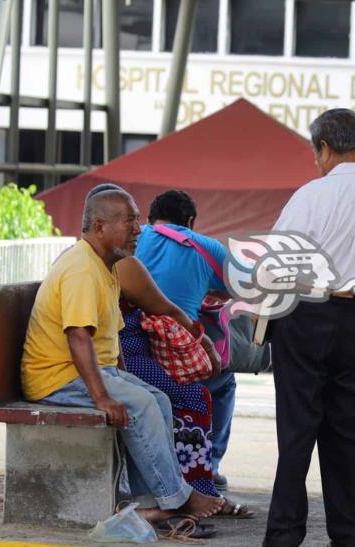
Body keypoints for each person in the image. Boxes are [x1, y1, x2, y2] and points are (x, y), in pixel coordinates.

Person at [21, 185, 224, 526]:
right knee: (140, 404)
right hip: (56, 378)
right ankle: (177, 499)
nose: (138, 229)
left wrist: (122, 379)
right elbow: (79, 336)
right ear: (100, 227)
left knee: (156, 398)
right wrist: (103, 396)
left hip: (85, 371)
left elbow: (108, 339)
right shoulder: (82, 269)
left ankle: (151, 500)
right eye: (129, 221)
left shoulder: (107, 266)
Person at [262, 108, 355, 547]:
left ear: (324, 147)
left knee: (297, 431)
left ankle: (285, 536)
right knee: (351, 432)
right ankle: (353, 536)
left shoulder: (311, 195)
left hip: (306, 315)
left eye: (316, 153)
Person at [117, 255, 253, 517]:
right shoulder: (125, 265)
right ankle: (195, 489)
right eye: (130, 221)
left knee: (192, 392)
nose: (137, 229)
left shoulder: (121, 257)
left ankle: (190, 487)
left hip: (136, 354)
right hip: (127, 359)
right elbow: (165, 309)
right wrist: (205, 343)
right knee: (194, 397)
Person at [135, 190, 235, 493]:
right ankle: (210, 465)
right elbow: (234, 288)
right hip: (173, 355)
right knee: (222, 381)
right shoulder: (207, 247)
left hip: (131, 349)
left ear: (150, 218)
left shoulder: (133, 238)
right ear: (190, 221)